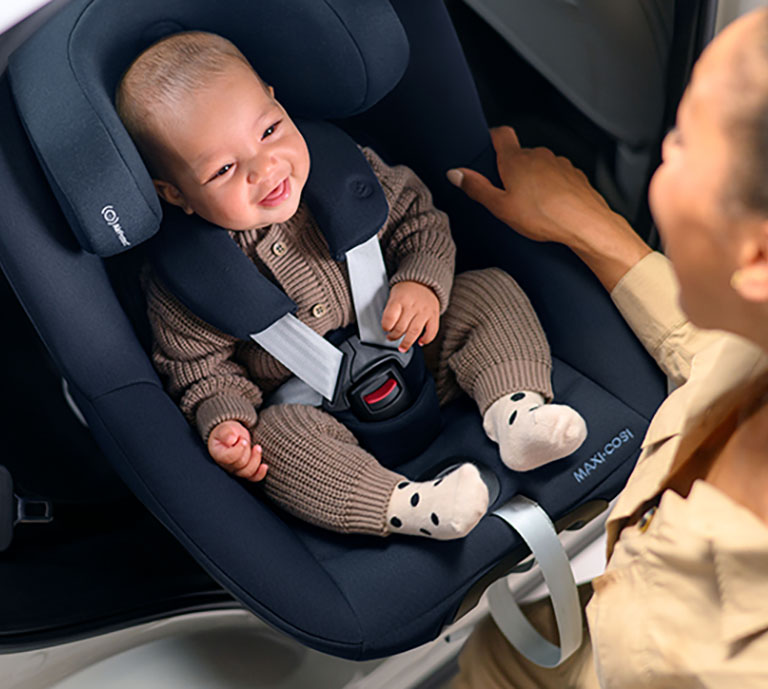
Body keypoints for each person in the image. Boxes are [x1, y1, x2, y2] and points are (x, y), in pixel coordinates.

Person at [114, 31, 588, 541]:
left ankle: (516, 413)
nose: (265, 167)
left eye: (270, 131)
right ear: (176, 194)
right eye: (225, 168)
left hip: (419, 347)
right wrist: (226, 422)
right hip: (318, 415)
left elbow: (419, 222)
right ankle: (410, 506)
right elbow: (199, 371)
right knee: (274, 443)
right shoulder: (189, 280)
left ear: (276, 100)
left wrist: (421, 284)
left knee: (489, 292)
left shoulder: (346, 174)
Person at [445, 6, 768, 686]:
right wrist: (585, 223)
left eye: (682, 143)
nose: (663, 154)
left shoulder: (705, 653)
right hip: (585, 632)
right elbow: (719, 352)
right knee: (496, 658)